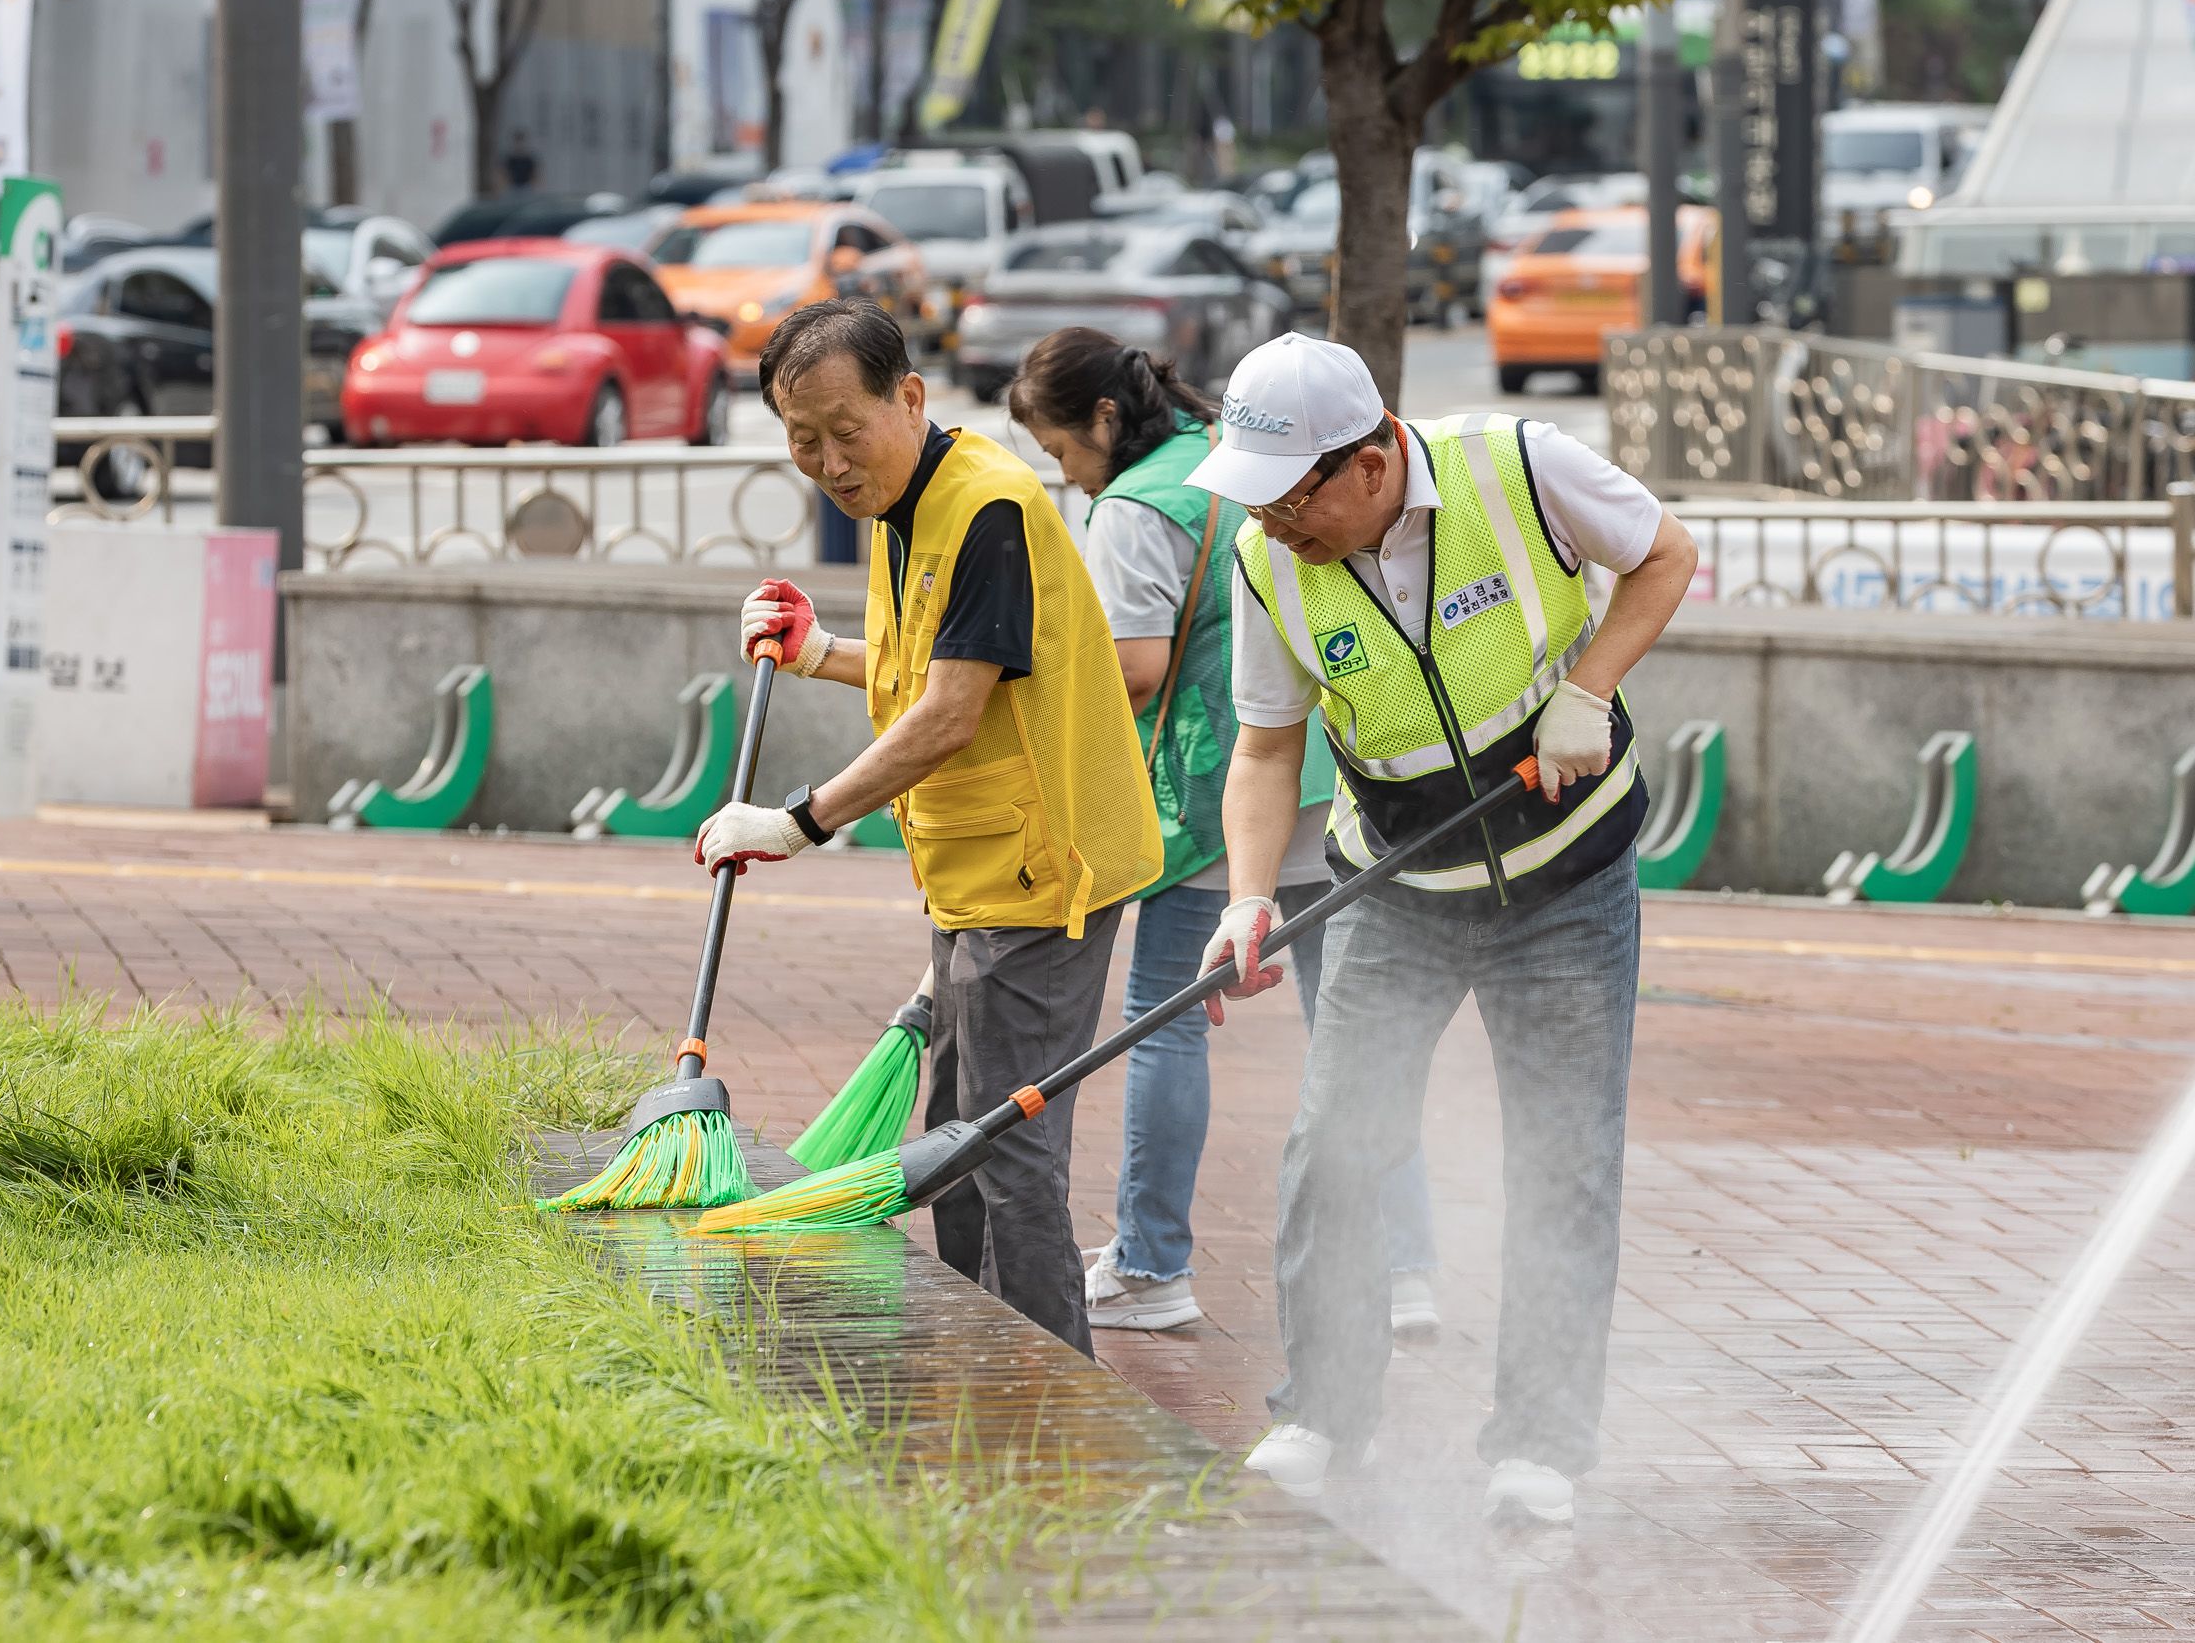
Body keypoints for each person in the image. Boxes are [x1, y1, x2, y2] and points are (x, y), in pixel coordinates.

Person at [1186, 333, 1696, 1523]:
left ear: (1366, 464)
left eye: (1286, 499)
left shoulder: (1518, 466)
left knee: (1562, 1159)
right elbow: (1265, 749)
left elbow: (1665, 554)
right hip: (1394, 896)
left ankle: (1538, 1444)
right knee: (1334, 1149)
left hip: (1566, 883)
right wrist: (1251, 898)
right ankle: (1321, 1409)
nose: (1268, 527)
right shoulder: (1269, 565)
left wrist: (1588, 689)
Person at [695, 299, 1161, 1355]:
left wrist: (797, 823)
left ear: (909, 398)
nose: (827, 460)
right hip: (976, 874)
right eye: (800, 438)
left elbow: (951, 712)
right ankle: (979, 1361)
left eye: (844, 430)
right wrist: (820, 650)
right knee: (956, 1142)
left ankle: (1050, 1400)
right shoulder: (913, 503)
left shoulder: (985, 506)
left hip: (1041, 874)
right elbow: (942, 667)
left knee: (1004, 1152)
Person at [1007, 328, 1442, 1338]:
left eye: (1060, 452)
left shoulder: (1131, 506)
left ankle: (1153, 1263)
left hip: (1212, 798)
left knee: (1164, 1023)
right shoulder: (1224, 459)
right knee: (1359, 1035)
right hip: (1325, 779)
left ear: (1104, 421)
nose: (1065, 478)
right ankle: (1408, 1269)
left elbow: (1132, 667)